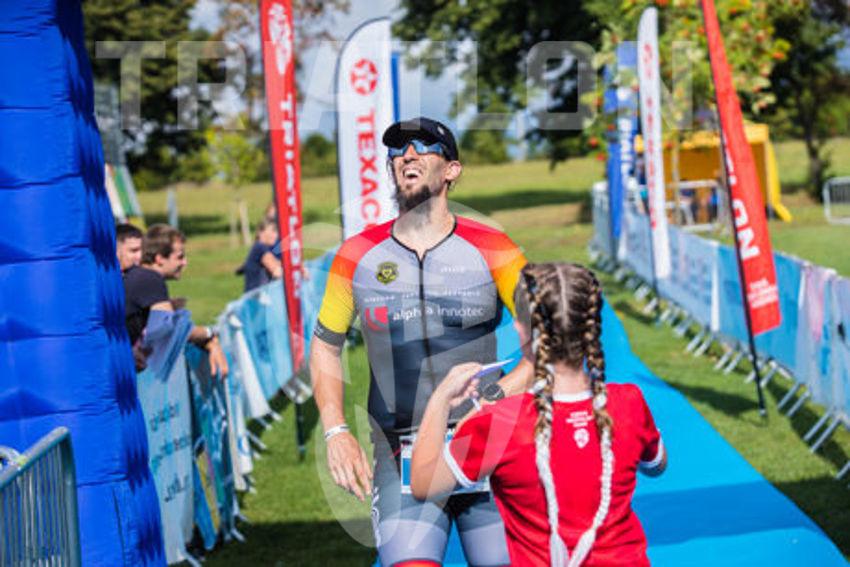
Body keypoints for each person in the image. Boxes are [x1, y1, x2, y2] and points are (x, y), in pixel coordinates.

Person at [310, 117, 530, 566]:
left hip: (485, 442)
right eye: (398, 150)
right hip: (400, 449)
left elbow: (545, 342)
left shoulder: (494, 247)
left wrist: (495, 398)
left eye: (423, 146)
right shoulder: (357, 255)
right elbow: (325, 346)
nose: (407, 155)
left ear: (451, 169)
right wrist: (336, 431)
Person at [411, 263, 667, 567]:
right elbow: (656, 464)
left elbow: (423, 483)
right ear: (591, 328)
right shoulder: (629, 403)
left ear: (522, 330)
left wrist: (440, 399)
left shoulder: (499, 422)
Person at [124, 223, 228, 377]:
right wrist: (209, 334)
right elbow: (171, 330)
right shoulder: (150, 278)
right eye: (180, 257)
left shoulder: (139, 276)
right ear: (159, 259)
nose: (185, 262)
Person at [237, 218, 282, 292]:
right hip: (256, 296)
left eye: (277, 231)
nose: (276, 235)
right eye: (273, 230)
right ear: (260, 232)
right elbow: (277, 271)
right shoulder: (260, 248)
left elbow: (277, 263)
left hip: (258, 295)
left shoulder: (259, 247)